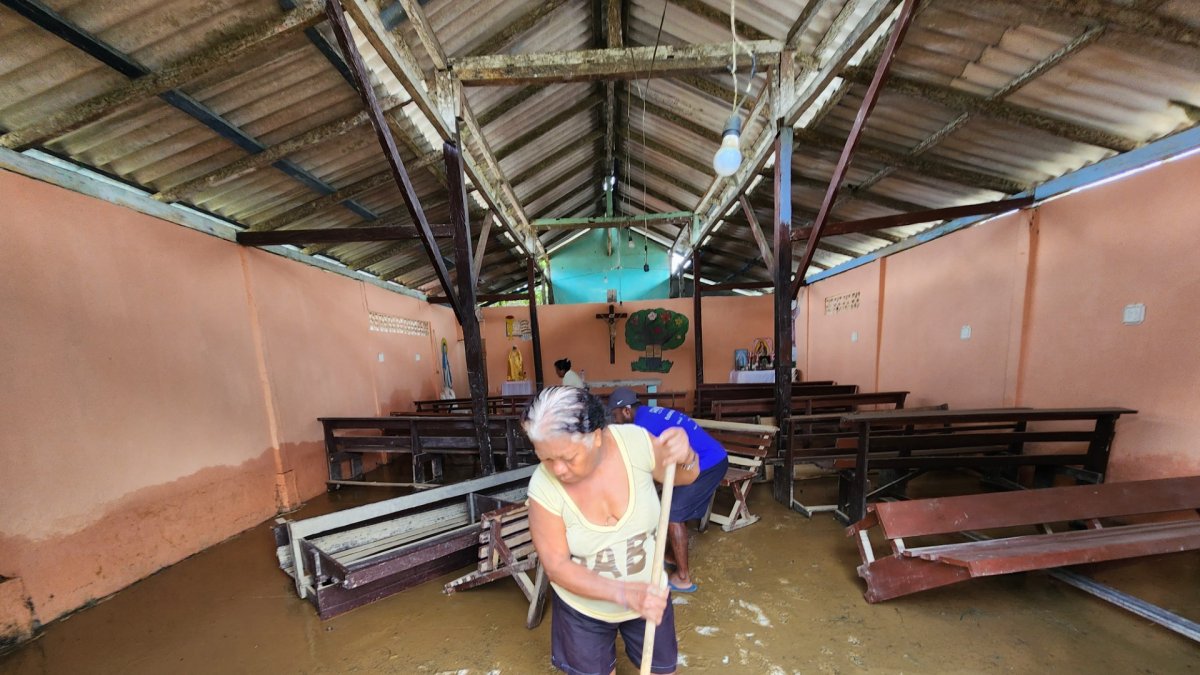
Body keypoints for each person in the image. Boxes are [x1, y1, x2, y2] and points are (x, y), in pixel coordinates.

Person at [524, 386, 700, 675]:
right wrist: (624, 593)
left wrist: (686, 453)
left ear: (596, 436)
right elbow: (556, 566)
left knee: (663, 670)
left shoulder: (635, 443)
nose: (557, 470)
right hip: (583, 611)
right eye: (545, 459)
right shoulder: (543, 487)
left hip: (649, 596)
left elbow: (687, 474)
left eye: (568, 458)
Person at [607, 387, 729, 593]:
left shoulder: (641, 427)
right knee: (664, 503)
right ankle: (671, 555)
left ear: (627, 411)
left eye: (615, 415)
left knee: (673, 514)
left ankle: (683, 577)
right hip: (703, 459)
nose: (615, 420)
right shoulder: (647, 414)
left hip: (709, 463)